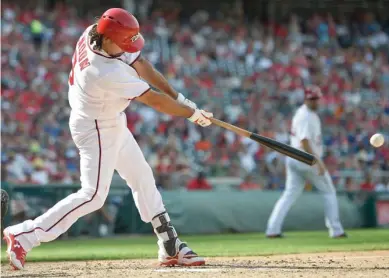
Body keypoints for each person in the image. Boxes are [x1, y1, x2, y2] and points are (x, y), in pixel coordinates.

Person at [3, 8, 211, 270]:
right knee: (93, 196)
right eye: (125, 42)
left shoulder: (96, 34)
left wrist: (179, 98)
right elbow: (154, 100)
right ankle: (24, 234)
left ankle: (170, 245)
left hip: (109, 119)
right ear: (110, 39)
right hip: (95, 127)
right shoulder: (104, 71)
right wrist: (192, 114)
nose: (129, 48)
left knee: (142, 176)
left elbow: (142, 65)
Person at [265, 85, 346, 238]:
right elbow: (304, 141)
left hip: (294, 158)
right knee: (328, 191)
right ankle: (336, 230)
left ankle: (272, 229)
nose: (315, 101)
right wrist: (318, 161)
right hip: (306, 158)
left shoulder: (306, 113)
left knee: (289, 194)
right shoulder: (306, 116)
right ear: (306, 99)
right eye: (312, 99)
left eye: (316, 98)